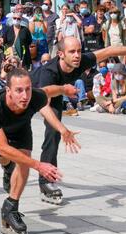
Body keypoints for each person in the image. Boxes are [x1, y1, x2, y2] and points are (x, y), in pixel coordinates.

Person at [0, 68, 80, 234]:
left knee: (23, 162)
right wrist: (39, 165)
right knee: (3, 157)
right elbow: (3, 147)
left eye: (27, 89)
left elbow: (49, 91)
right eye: (19, 90)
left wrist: (64, 90)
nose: (25, 95)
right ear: (8, 90)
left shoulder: (34, 96)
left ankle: (10, 208)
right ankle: (7, 167)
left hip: (20, 129)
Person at [31, 36, 126, 204]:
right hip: (32, 96)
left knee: (52, 134)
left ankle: (46, 182)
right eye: (72, 52)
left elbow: (110, 50)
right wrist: (63, 129)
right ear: (60, 54)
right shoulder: (48, 73)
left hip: (57, 93)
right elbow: (42, 106)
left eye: (79, 51)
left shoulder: (81, 61)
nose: (77, 55)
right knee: (18, 141)